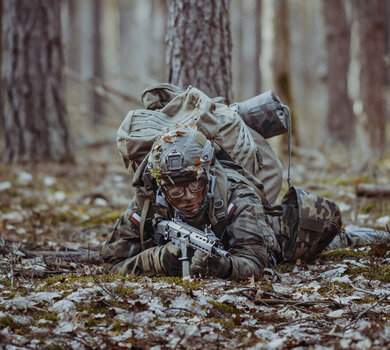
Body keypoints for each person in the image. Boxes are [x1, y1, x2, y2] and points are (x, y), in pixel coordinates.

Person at [101, 127, 341, 281]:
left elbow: (256, 262)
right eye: (174, 188)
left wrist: (223, 267)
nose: (186, 196)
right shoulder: (148, 201)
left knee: (343, 238)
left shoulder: (238, 196)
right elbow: (111, 264)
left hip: (280, 235)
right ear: (160, 184)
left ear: (207, 174)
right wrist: (158, 260)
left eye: (194, 184)